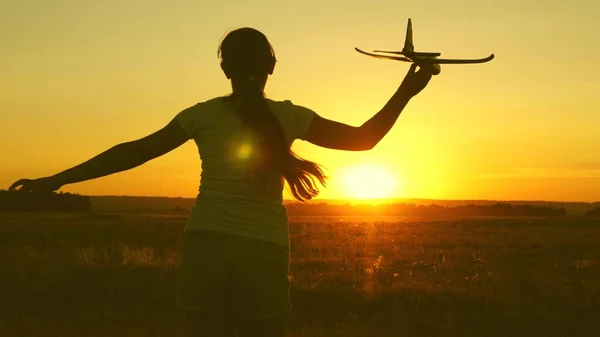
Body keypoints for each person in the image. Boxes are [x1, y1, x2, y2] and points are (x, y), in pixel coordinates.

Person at [9, 27, 433, 337]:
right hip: (263, 249)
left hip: (205, 244)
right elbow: (364, 139)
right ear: (271, 66)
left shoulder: (202, 115)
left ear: (224, 67)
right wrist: (407, 89)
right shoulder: (290, 116)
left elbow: (132, 152)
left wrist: (57, 179)